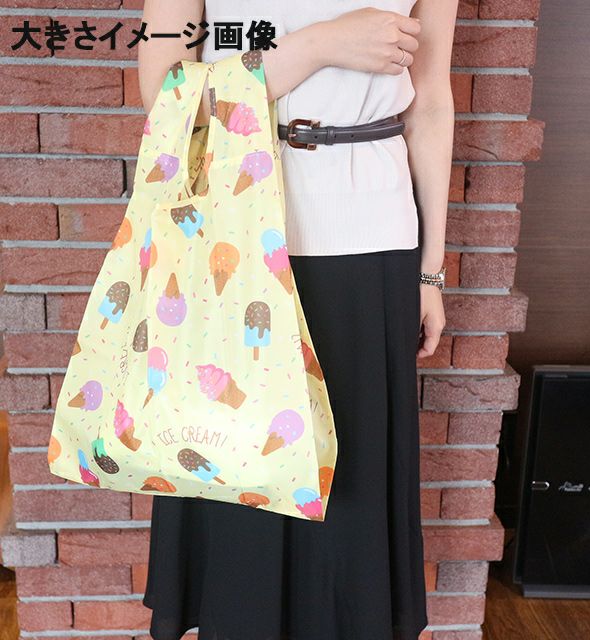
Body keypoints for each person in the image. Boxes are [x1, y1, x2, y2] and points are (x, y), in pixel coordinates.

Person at [138, 1, 457, 638]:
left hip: (373, 234)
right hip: (232, 235)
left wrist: (431, 271)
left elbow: (431, 104)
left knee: (351, 487)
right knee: (238, 471)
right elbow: (166, 96)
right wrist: (318, 46)